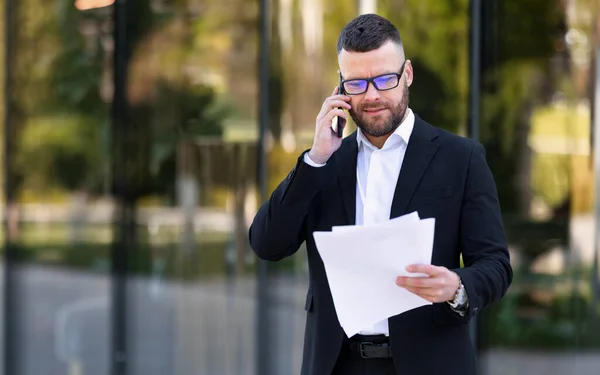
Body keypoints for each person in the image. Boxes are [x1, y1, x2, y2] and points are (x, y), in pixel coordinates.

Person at [249, 13, 512, 375]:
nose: (372, 96)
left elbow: (496, 266)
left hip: (430, 364)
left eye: (385, 80)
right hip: (336, 365)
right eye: (357, 84)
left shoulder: (461, 158)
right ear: (340, 87)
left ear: (408, 74)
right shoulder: (325, 162)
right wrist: (315, 159)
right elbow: (267, 243)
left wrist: (457, 285)